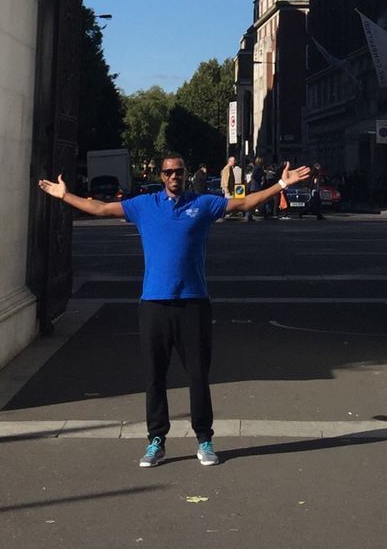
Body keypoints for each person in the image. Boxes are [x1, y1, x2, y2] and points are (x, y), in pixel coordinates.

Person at [38, 151, 311, 467]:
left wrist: (281, 183)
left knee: (197, 375)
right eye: (168, 173)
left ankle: (204, 439)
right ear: (161, 175)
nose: (173, 177)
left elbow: (245, 204)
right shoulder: (145, 205)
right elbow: (99, 208)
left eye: (178, 172)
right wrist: (64, 195)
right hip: (154, 304)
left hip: (193, 303)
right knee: (154, 376)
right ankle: (156, 440)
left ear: (185, 173)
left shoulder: (203, 204)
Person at [245, 157, 267, 222]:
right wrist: (263, 174)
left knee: (254, 202)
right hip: (256, 187)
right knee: (256, 201)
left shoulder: (256, 167)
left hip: (254, 187)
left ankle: (249, 214)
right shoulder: (259, 168)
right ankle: (250, 214)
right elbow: (255, 176)